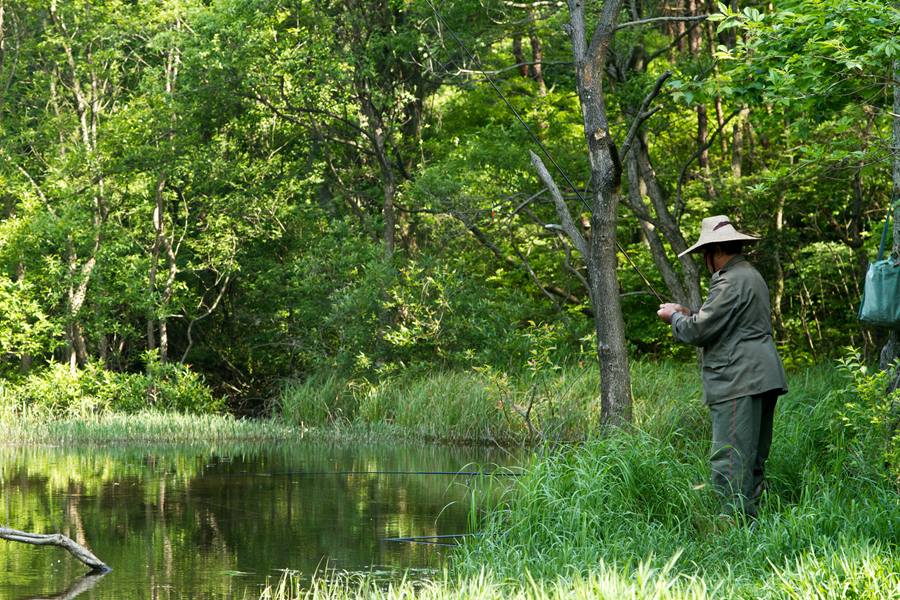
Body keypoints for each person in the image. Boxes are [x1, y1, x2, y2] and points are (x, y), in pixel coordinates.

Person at [657, 215, 788, 521]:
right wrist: (686, 311)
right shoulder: (750, 275)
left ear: (715, 251)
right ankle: (757, 527)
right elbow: (725, 321)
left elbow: (698, 332)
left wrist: (673, 320)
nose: (704, 262)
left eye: (704, 255)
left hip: (738, 380)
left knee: (731, 460)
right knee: (752, 458)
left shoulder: (729, 279)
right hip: (763, 376)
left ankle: (736, 529)